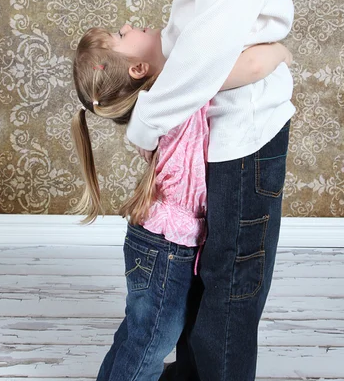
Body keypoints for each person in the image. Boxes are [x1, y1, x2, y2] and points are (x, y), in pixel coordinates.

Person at [115, 0, 296, 381]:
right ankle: (193, 371)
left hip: (247, 140)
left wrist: (146, 123)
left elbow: (201, 60)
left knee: (231, 284)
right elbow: (194, 45)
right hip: (225, 135)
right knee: (210, 271)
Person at [71, 22, 292, 381]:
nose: (128, 25)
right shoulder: (178, 89)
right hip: (165, 248)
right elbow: (252, 66)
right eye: (122, 35)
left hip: (156, 241)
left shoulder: (160, 99)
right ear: (137, 68)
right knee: (149, 343)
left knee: (138, 334)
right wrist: (282, 52)